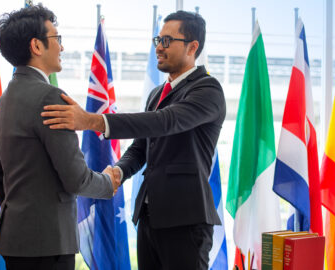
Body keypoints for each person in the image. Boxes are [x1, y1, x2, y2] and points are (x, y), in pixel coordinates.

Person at [42, 10, 226, 270]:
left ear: (192, 47)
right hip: (150, 218)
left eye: (167, 41)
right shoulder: (156, 94)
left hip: (186, 221)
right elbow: (141, 147)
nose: (158, 48)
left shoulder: (207, 90)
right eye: (157, 40)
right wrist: (119, 171)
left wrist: (92, 121)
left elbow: (165, 122)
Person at [0, 4, 120, 270]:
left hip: (16, 240)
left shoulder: (5, 99)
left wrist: (22, 210)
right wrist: (109, 181)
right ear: (36, 46)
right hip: (48, 243)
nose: (61, 47)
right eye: (56, 39)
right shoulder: (49, 98)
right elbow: (76, 179)